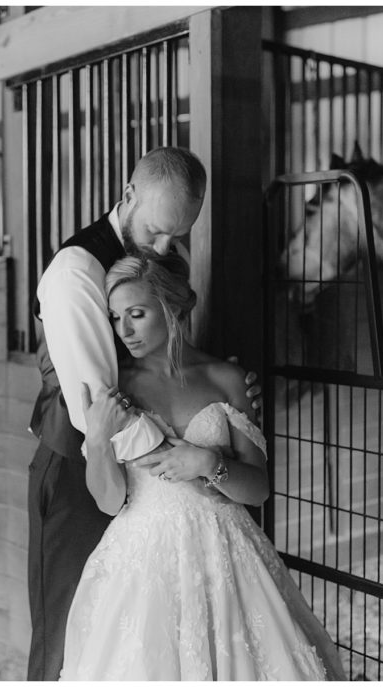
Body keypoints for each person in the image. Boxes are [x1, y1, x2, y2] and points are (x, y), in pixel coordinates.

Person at [26, 147, 258, 681]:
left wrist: (228, 400)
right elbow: (96, 406)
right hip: (79, 471)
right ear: (128, 195)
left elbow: (175, 362)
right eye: (156, 229)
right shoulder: (75, 271)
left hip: (159, 486)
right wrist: (187, 457)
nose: (163, 247)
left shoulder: (151, 259)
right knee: (70, 641)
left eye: (176, 235)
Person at [59, 251, 346, 680]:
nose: (125, 331)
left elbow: (259, 489)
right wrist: (98, 438)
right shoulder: (117, 386)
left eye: (136, 314)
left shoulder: (226, 379)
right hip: (143, 560)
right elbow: (107, 500)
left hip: (226, 553)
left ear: (172, 307)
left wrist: (208, 461)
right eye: (116, 318)